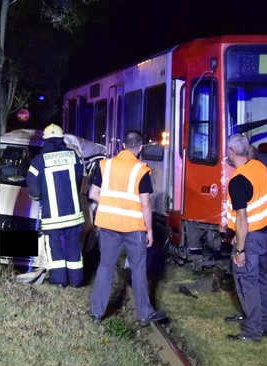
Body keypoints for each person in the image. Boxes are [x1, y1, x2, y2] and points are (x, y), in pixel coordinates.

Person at [88, 130, 167, 327]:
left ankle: (96, 313)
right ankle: (143, 314)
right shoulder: (141, 170)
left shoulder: (106, 165)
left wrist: (112, 203)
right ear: (140, 147)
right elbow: (146, 205)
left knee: (105, 266)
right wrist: (149, 230)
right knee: (138, 270)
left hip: (108, 225)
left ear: (123, 145)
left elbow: (93, 193)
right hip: (133, 227)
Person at [224, 133, 267, 342]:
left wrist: (239, 249)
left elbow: (242, 220)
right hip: (266, 233)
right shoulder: (259, 167)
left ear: (231, 152)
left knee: (246, 280)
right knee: (261, 279)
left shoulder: (237, 180)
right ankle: (266, 323)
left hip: (250, 237)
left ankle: (252, 331)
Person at [26, 124, 85, 287]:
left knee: (55, 249)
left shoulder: (38, 161)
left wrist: (37, 196)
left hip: (52, 217)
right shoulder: (74, 155)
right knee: (74, 248)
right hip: (73, 215)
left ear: (45, 141)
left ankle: (59, 281)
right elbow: (79, 177)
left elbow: (32, 185)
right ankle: (76, 281)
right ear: (61, 138)